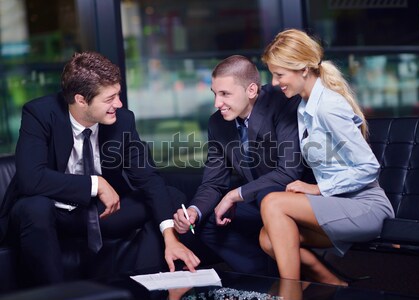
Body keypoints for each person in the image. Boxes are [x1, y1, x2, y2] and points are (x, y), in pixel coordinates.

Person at [1, 51, 200, 287]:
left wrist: (171, 237)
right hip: (49, 214)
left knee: (170, 196)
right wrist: (95, 184)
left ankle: (141, 286)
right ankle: (55, 294)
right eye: (110, 99)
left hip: (98, 215)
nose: (119, 104)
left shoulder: (123, 120)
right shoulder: (40, 114)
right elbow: (30, 179)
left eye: (118, 95)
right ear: (81, 100)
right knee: (35, 207)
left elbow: (147, 177)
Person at [258, 29, 395, 285]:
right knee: (268, 239)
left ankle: (291, 293)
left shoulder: (328, 107)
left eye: (279, 74)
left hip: (365, 207)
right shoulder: (304, 108)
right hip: (338, 206)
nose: (275, 83)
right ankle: (336, 286)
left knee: (273, 203)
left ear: (303, 69)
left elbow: (369, 167)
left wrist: (318, 189)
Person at [173, 55, 306, 275]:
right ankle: (263, 276)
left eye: (225, 94)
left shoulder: (282, 105)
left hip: (289, 202)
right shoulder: (217, 123)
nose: (217, 103)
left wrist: (235, 195)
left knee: (267, 197)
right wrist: (194, 212)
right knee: (206, 223)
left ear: (252, 91)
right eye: (215, 94)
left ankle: (290, 277)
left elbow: (289, 171)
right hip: (255, 202)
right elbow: (213, 183)